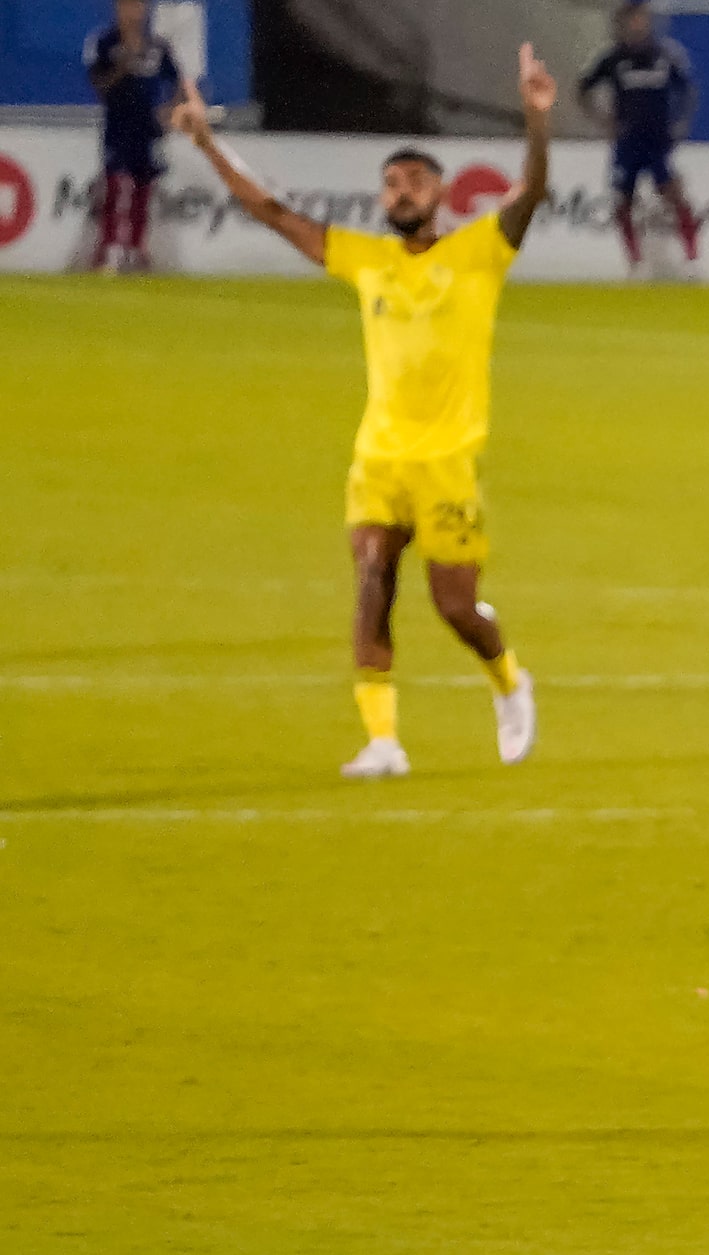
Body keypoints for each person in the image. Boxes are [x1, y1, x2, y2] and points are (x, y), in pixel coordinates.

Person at [172, 53, 548, 779]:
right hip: (377, 460)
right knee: (372, 583)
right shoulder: (365, 258)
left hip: (445, 463)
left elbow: (534, 190)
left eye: (414, 181)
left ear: (440, 193)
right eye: (391, 183)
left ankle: (508, 679)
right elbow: (272, 212)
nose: (401, 192)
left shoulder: (479, 252)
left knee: (456, 609)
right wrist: (207, 145)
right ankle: (383, 742)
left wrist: (536, 115)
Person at [579, 0, 701, 270]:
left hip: (657, 140)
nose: (639, 23)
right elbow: (584, 88)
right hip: (627, 141)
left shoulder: (665, 55)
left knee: (673, 194)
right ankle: (634, 260)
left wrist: (681, 122)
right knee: (622, 200)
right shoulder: (613, 58)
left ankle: (692, 256)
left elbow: (688, 90)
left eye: (643, 18)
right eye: (634, 18)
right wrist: (603, 121)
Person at [82, 0, 183, 273]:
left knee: (142, 189)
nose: (132, 13)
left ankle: (136, 250)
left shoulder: (157, 47)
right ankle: (108, 250)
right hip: (117, 127)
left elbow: (178, 81)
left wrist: (170, 110)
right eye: (126, 6)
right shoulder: (105, 42)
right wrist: (121, 67)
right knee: (116, 186)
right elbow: (99, 85)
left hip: (148, 130)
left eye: (137, 6)